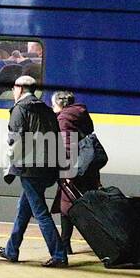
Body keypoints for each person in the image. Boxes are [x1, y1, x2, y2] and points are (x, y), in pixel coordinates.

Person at [0, 75, 67, 267]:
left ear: (19, 88)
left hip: (30, 168)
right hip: (48, 167)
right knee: (24, 209)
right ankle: (11, 250)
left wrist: (10, 165)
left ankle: (59, 255)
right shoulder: (46, 109)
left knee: (41, 213)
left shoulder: (20, 109)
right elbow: (57, 139)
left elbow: (15, 141)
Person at [49, 89, 101, 256]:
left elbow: (67, 147)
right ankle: (96, 241)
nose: (52, 107)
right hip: (87, 168)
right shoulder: (81, 113)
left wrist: (68, 173)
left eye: (53, 104)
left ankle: (66, 245)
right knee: (85, 205)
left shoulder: (64, 119)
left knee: (67, 208)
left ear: (60, 104)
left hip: (73, 169)